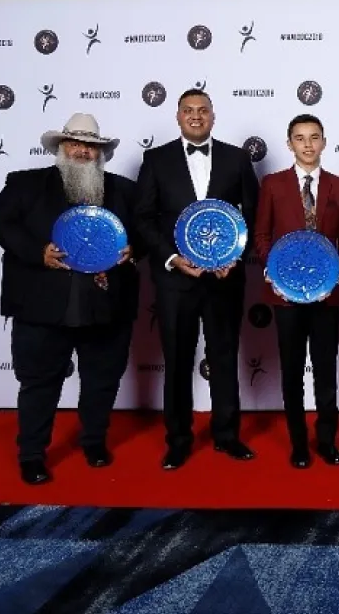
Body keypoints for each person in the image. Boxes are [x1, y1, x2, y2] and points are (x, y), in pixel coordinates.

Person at [0, 113, 138, 484]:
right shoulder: (25, 184)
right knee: (39, 383)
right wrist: (37, 252)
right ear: (61, 148)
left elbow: (146, 234)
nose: (83, 151)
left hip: (104, 305)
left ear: (101, 152)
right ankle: (32, 454)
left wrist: (134, 249)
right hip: (42, 306)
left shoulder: (124, 190)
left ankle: (93, 442)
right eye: (75, 144)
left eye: (91, 146)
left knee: (102, 380)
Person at [133, 88, 259, 470]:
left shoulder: (237, 159)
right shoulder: (156, 160)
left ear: (213, 116)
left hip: (224, 279)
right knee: (177, 361)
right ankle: (179, 440)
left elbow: (252, 215)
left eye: (203, 110)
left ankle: (227, 435)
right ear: (177, 116)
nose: (195, 116)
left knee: (223, 358)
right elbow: (143, 218)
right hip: (176, 280)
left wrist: (235, 257)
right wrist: (172, 258)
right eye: (188, 110)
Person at [254, 114, 339, 468]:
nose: (308, 144)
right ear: (289, 144)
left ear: (324, 142)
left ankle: (326, 441)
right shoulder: (273, 184)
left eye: (314, 137)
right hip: (286, 296)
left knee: (326, 369)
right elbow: (262, 235)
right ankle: (299, 443)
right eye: (300, 138)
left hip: (326, 295)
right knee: (292, 370)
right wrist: (273, 269)